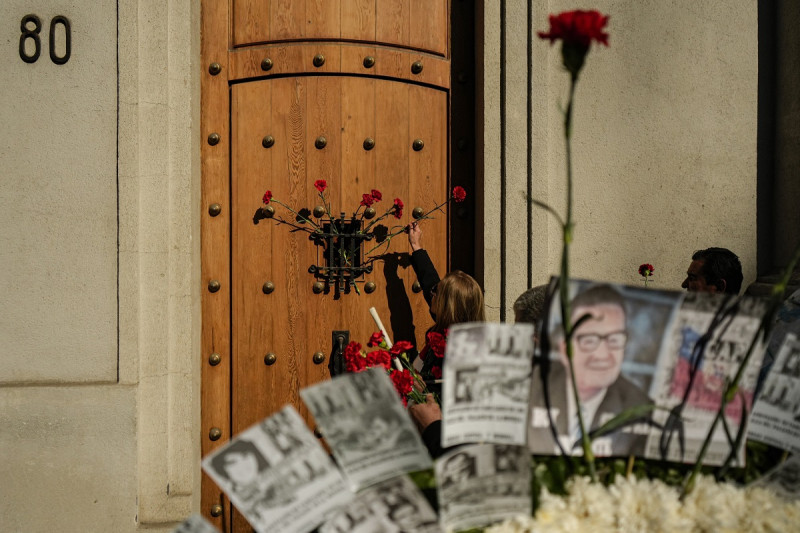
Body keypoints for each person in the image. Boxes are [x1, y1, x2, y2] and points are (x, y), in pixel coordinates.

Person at [529, 284, 652, 457]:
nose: (602, 354)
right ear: (564, 350)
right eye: (589, 340)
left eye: (614, 339)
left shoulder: (641, 409)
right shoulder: (531, 389)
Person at [406, 221, 485, 457]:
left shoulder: (469, 350)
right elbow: (430, 281)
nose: (432, 294)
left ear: (445, 306)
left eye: (437, 295)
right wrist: (416, 245)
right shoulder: (446, 322)